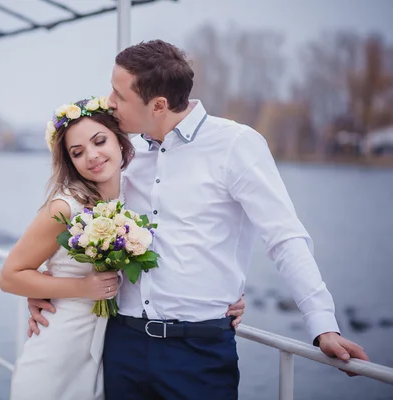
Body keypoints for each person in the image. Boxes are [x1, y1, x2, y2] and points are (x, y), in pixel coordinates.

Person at [27, 40, 370, 400]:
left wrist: (323, 326)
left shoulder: (236, 145)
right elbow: (82, 221)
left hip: (199, 353)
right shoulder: (122, 153)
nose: (108, 101)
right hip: (121, 344)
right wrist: (43, 289)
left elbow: (284, 238)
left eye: (119, 94)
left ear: (158, 105)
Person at [0, 96, 246, 400]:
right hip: (59, 346)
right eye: (77, 152)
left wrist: (226, 294)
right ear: (70, 162)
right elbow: (10, 275)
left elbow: (186, 241)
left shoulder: (136, 194)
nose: (92, 156)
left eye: (99, 141)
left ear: (119, 141)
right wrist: (81, 288)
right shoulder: (65, 207)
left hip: (108, 350)